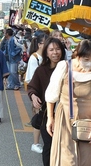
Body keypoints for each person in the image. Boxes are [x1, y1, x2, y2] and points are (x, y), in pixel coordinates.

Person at [45, 39, 91, 166]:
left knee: (86, 160)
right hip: (65, 120)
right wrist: (50, 118)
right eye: (86, 59)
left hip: (88, 123)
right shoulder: (64, 66)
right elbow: (51, 95)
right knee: (67, 159)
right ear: (78, 55)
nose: (89, 63)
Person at [28, 37, 65, 166]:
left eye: (58, 49)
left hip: (65, 116)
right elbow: (32, 87)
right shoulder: (41, 70)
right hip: (47, 116)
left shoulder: (68, 68)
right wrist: (33, 96)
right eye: (51, 50)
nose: (55, 52)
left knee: (64, 147)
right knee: (49, 146)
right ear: (46, 53)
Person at [24, 32, 49, 153]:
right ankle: (35, 143)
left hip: (47, 94)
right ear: (40, 44)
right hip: (38, 94)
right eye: (46, 43)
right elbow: (30, 79)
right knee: (39, 119)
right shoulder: (34, 58)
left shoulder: (47, 58)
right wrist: (34, 95)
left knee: (43, 119)